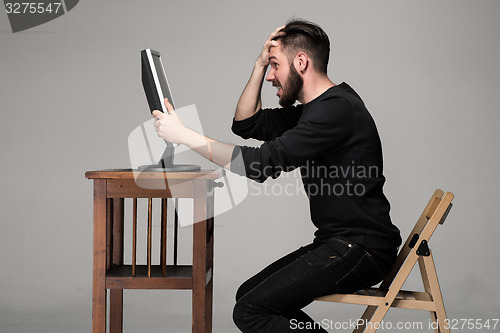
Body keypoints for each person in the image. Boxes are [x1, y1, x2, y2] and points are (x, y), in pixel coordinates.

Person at [153, 19, 401, 333]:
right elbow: (246, 123)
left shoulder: (335, 111)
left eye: (275, 66)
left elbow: (259, 164)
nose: (271, 76)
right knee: (249, 297)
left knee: (251, 310)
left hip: (360, 249)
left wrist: (186, 136)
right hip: (338, 243)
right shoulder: (313, 110)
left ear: (301, 62)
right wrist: (258, 63)